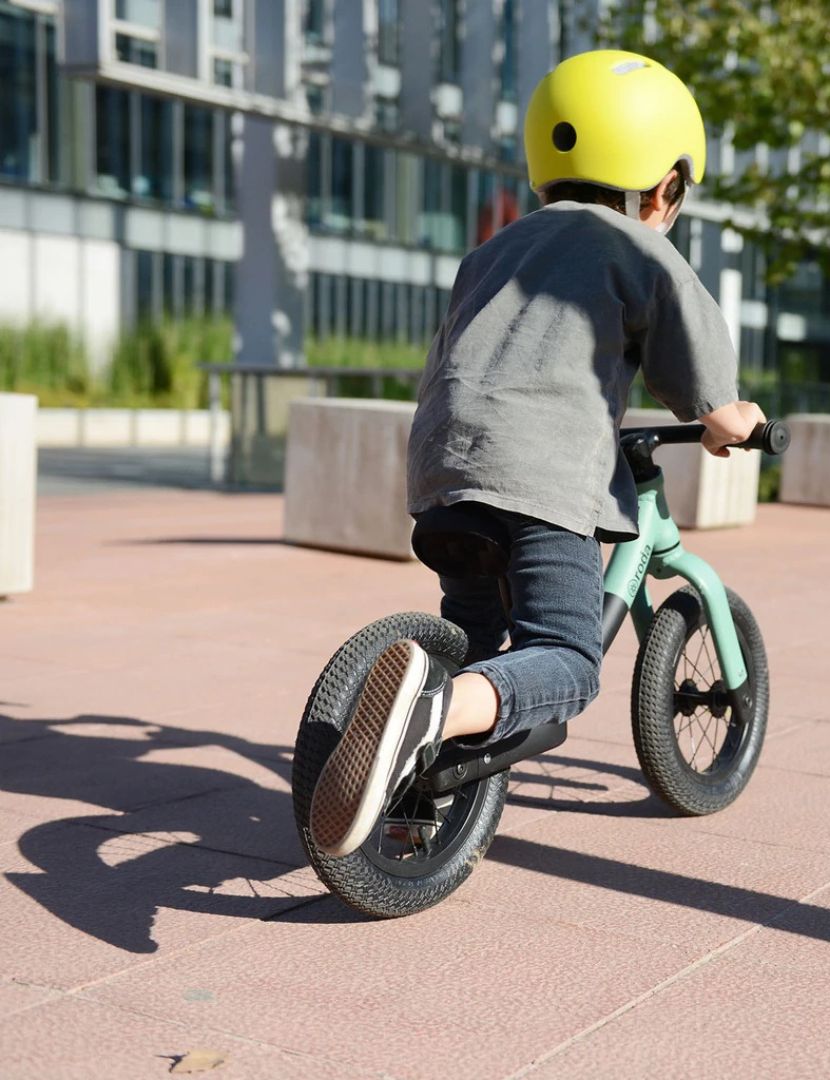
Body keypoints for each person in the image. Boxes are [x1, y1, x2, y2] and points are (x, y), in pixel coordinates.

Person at [309, 49, 767, 858]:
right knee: (566, 659)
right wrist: (738, 423)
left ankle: (417, 807)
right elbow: (706, 391)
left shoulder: (491, 251)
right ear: (665, 186)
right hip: (540, 476)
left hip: (445, 471)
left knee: (477, 638)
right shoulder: (642, 251)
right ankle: (429, 714)